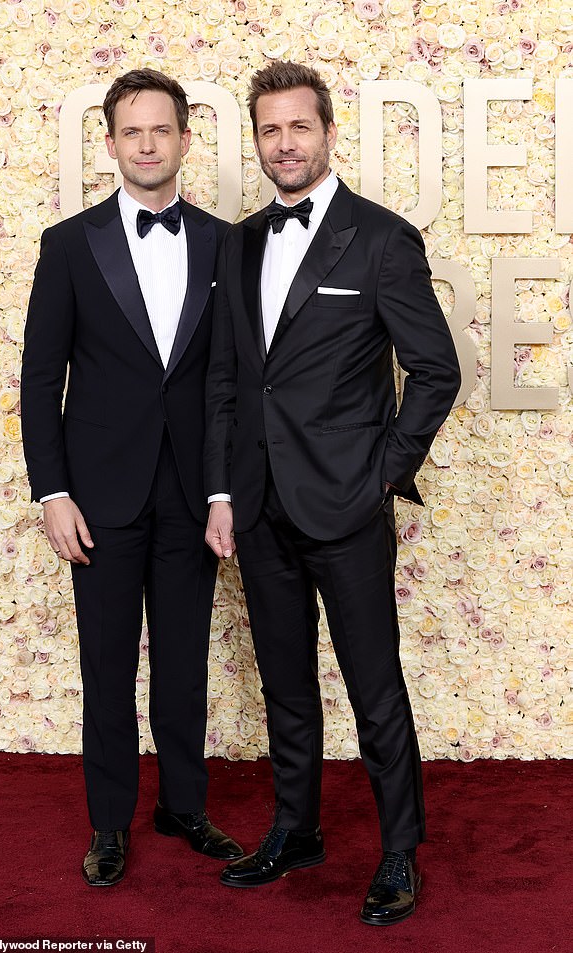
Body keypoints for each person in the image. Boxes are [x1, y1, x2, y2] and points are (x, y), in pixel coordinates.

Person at [205, 60, 461, 925]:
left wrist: (385, 470)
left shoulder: (383, 239)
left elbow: (435, 369)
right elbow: (233, 383)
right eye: (270, 130)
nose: (285, 143)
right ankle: (296, 828)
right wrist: (223, 495)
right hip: (261, 505)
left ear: (327, 131)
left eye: (299, 127)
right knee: (285, 682)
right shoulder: (237, 243)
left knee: (373, 683)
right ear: (258, 139)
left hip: (348, 507)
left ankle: (398, 852)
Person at [21, 68, 243, 887]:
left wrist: (224, 491)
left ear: (186, 139)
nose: (147, 145)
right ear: (110, 143)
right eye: (131, 132)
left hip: (192, 493)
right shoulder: (68, 244)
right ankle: (110, 821)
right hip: (98, 497)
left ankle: (184, 804)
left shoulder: (227, 242)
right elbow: (41, 378)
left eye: (162, 130)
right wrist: (52, 492)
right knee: (107, 664)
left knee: (184, 663)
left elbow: (230, 380)